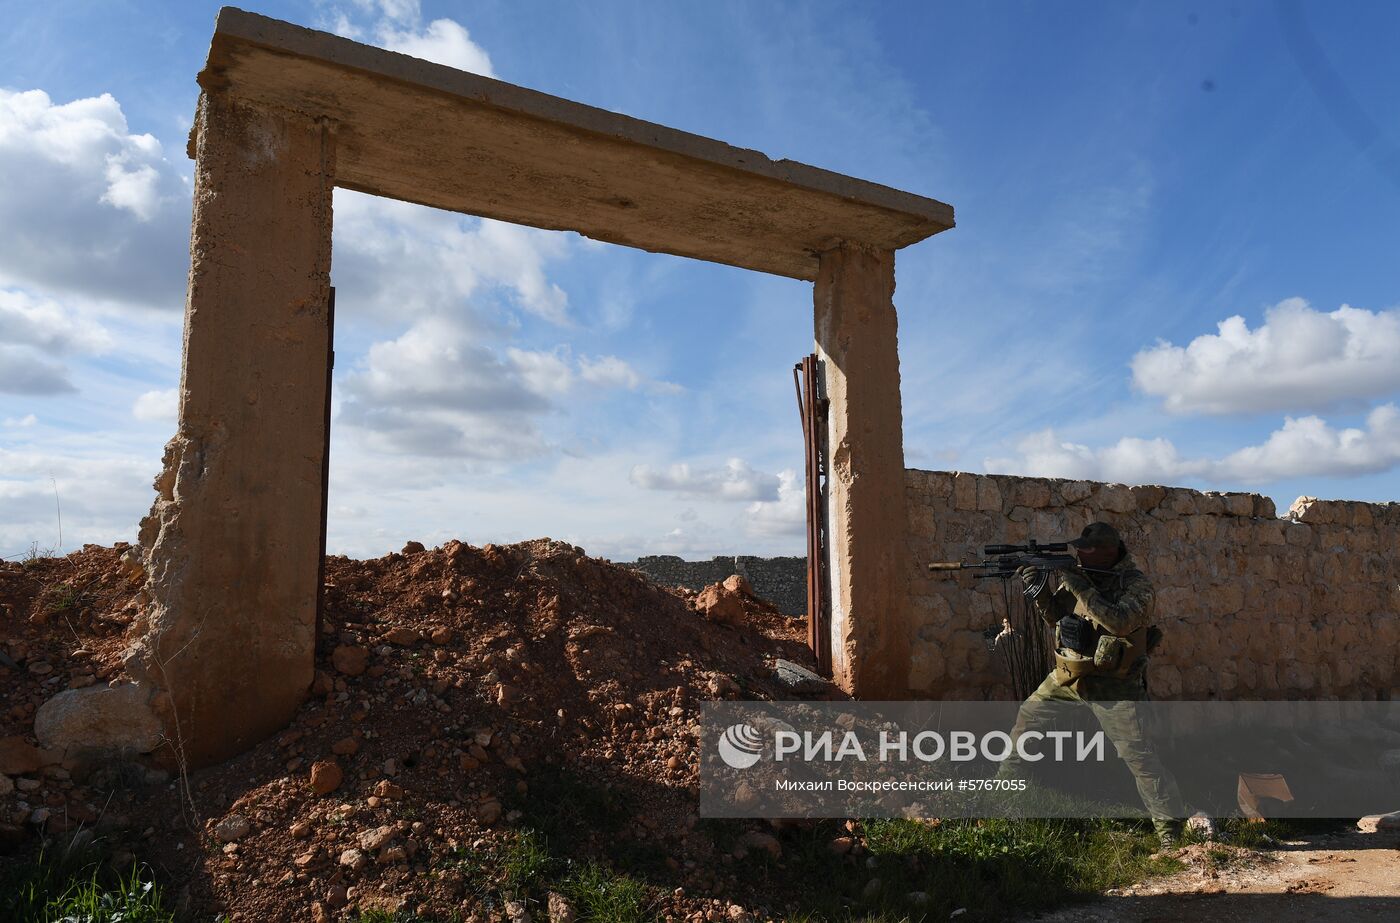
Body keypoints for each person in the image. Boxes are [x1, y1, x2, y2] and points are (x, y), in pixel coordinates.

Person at [996, 521, 1186, 847]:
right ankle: (1000, 803)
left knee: (1139, 757)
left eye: (1087, 550)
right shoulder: (1081, 577)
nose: (1079, 554)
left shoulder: (1135, 584)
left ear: (1109, 552)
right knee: (1026, 722)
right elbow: (1058, 617)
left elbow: (1120, 621)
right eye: (1078, 549)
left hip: (1115, 685)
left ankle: (1171, 836)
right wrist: (1039, 592)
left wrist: (1078, 583)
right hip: (1070, 677)